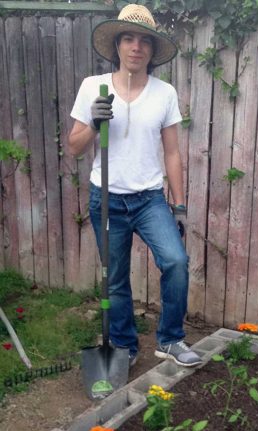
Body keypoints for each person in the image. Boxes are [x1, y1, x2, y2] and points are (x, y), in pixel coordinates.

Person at [68, 4, 202, 368]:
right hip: (106, 197)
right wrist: (94, 123)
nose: (136, 47)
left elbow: (172, 152)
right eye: (128, 38)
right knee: (115, 278)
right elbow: (74, 146)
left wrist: (179, 205)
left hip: (149, 199)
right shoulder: (92, 87)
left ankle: (171, 340)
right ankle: (124, 347)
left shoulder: (164, 93)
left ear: (151, 51)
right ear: (117, 45)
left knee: (175, 261)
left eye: (144, 40)